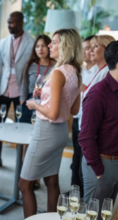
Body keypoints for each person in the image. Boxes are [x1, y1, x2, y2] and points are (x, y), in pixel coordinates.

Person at [19, 28, 82, 218]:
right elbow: (73, 109)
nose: (49, 45)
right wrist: (46, 97)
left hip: (46, 132)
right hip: (61, 132)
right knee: (51, 180)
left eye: (54, 42)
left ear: (65, 46)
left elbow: (53, 113)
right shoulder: (75, 72)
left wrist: (34, 104)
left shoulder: (58, 73)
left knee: (24, 184)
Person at [79, 41, 118, 216]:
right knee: (91, 216)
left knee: (107, 215)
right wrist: (99, 170)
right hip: (102, 164)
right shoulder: (98, 93)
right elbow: (85, 137)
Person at [0, 11, 34, 167]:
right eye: (8, 22)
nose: (9, 25)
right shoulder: (2, 42)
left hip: (21, 93)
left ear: (21, 22)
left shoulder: (31, 42)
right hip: (3, 90)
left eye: (12, 23)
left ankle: (21, 164)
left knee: (21, 127)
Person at [68, 35, 98, 197]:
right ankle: (74, 190)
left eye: (89, 48)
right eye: (84, 48)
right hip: (76, 116)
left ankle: (82, 193)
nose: (86, 52)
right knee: (76, 155)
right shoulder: (80, 70)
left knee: (83, 159)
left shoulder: (99, 72)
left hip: (87, 120)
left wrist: (82, 86)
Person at [20, 34, 55, 123]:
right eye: (37, 46)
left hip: (47, 103)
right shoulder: (30, 65)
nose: (40, 49)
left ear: (49, 46)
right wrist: (22, 103)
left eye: (43, 46)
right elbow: (24, 86)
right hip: (30, 102)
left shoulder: (55, 66)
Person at [82, 35, 115, 99]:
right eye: (91, 47)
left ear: (107, 49)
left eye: (96, 46)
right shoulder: (101, 70)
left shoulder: (108, 72)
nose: (91, 50)